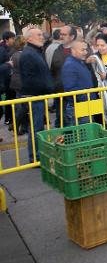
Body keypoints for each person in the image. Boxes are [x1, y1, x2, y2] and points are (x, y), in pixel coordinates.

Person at [20, 27, 54, 162]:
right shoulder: (29, 54)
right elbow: (30, 80)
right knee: (36, 128)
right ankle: (35, 157)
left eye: (42, 34)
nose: (42, 37)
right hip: (34, 97)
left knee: (38, 127)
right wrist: (46, 88)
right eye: (39, 35)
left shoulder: (36, 52)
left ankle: (38, 155)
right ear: (29, 39)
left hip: (38, 96)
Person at [61, 40, 97, 126]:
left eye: (86, 49)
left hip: (86, 104)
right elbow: (70, 89)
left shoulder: (79, 62)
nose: (85, 52)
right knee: (82, 135)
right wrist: (86, 98)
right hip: (80, 106)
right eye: (82, 50)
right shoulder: (70, 65)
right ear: (73, 50)